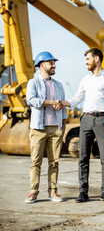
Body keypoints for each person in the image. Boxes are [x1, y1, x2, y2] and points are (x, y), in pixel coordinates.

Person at [60, 48, 104, 203]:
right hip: (86, 119)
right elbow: (76, 99)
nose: (86, 62)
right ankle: (83, 192)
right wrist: (63, 103)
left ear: (97, 59)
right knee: (83, 157)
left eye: (88, 59)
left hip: (102, 120)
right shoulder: (85, 79)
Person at [25, 51, 67, 204]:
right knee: (35, 162)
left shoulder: (59, 85)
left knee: (54, 162)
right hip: (38, 128)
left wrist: (63, 126)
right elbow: (31, 100)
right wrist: (51, 102)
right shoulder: (33, 83)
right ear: (42, 65)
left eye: (54, 63)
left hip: (56, 128)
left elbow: (62, 108)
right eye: (51, 63)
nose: (54, 65)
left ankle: (53, 192)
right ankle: (33, 192)